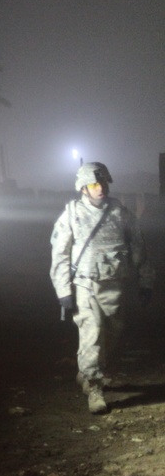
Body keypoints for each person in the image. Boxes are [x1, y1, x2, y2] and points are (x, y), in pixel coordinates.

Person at [50, 162, 154, 414]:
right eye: (95, 184)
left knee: (112, 335)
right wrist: (63, 290)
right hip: (85, 285)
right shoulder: (72, 214)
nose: (101, 188)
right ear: (83, 188)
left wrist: (145, 280)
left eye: (104, 183)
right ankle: (94, 388)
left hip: (115, 285)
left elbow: (139, 247)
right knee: (93, 334)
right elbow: (60, 254)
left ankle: (86, 371)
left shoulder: (120, 213)